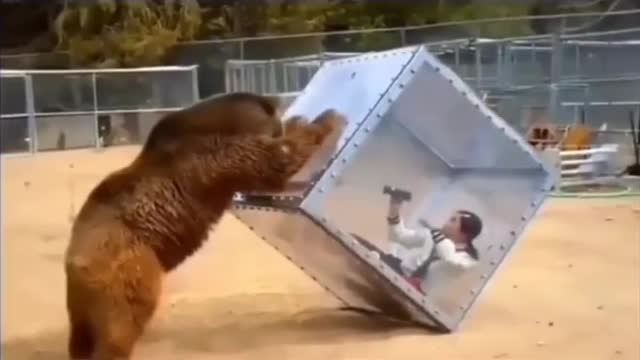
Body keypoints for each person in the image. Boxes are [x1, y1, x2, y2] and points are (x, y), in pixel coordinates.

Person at [354, 186, 483, 296]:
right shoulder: (434, 236)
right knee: (353, 242)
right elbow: (400, 236)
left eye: (453, 220)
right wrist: (395, 207)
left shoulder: (468, 260)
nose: (446, 222)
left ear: (465, 233)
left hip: (416, 294)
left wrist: (440, 239)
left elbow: (449, 260)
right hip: (398, 269)